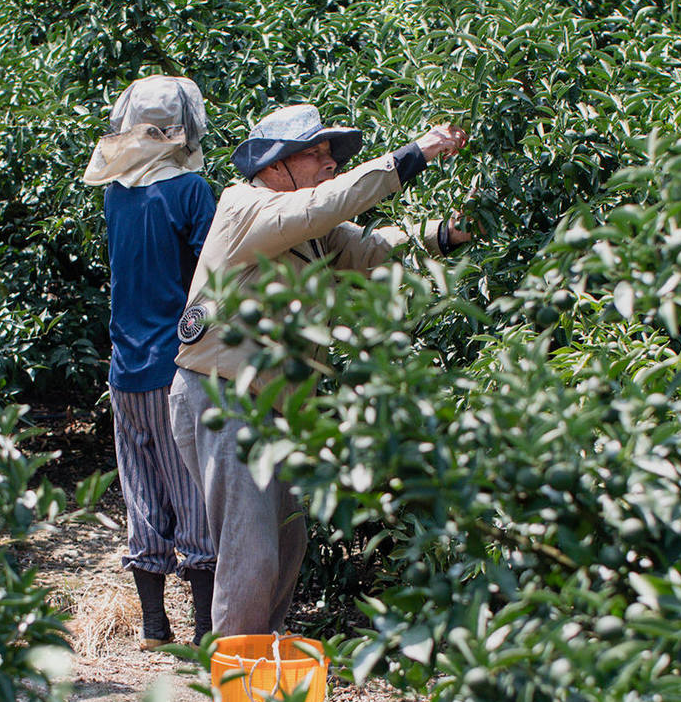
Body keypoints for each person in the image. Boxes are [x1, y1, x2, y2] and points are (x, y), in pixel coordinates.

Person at [168, 104, 469, 637]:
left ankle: (262, 680)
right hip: (222, 396)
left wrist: (446, 232)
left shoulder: (312, 231)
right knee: (251, 553)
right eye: (317, 152)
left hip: (276, 408)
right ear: (275, 164)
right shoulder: (246, 205)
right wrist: (414, 154)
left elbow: (373, 248)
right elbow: (327, 204)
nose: (330, 163)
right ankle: (235, 696)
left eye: (333, 155)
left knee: (284, 548)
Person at [83, 75, 219, 648]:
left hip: (124, 367)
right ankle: (206, 629)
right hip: (176, 365)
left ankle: (153, 624)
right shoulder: (190, 190)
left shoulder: (116, 192)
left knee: (139, 488)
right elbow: (215, 277)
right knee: (192, 490)